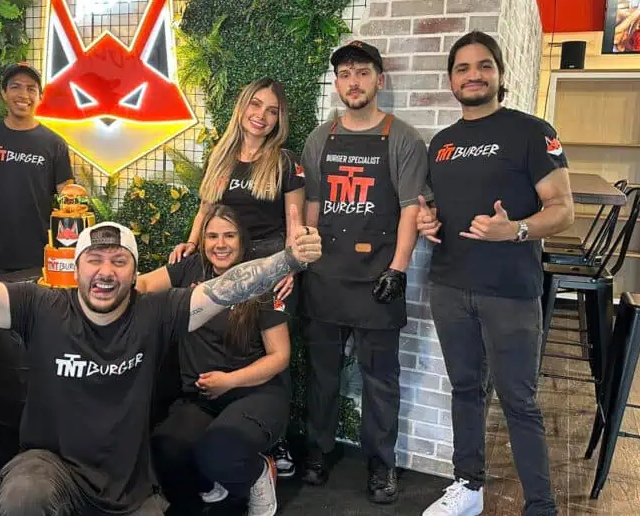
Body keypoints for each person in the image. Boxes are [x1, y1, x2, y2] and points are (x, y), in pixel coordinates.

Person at [0, 183, 321, 516]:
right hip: (52, 471)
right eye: (95, 260)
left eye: (119, 261)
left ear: (135, 270)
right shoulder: (39, 307)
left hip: (130, 487)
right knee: (23, 496)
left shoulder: (158, 312)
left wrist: (287, 259)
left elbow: (230, 287)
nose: (106, 271)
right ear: (77, 266)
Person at [417, 31, 573, 516]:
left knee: (518, 401)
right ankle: (468, 487)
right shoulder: (441, 144)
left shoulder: (531, 131)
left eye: (484, 66)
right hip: (449, 285)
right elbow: (438, 206)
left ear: (499, 75)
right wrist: (429, 220)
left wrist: (518, 230)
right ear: (451, 80)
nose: (473, 75)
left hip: (509, 290)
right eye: (462, 68)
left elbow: (564, 210)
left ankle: (540, 505)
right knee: (465, 388)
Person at [299, 40, 430, 504]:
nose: (353, 82)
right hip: (327, 278)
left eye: (362, 73)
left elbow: (412, 209)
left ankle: (381, 464)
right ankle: (317, 452)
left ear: (379, 79)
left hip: (379, 278)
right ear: (337, 84)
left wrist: (398, 269)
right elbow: (312, 205)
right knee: (323, 375)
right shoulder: (320, 138)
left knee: (381, 379)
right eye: (345, 74)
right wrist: (306, 257)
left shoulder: (404, 139)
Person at [169, 77, 305, 476]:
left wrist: (291, 266)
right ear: (242, 107)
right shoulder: (222, 156)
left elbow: (295, 223)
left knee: (271, 351)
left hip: (269, 271)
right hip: (225, 270)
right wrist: (191, 244)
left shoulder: (284, 162)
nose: (261, 116)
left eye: (272, 110)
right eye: (256, 105)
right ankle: (223, 424)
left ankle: (273, 440)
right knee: (226, 343)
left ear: (279, 119)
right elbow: (206, 211)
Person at [140, 205, 290, 516]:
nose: (220, 244)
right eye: (212, 236)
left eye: (229, 235)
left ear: (242, 240)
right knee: (166, 448)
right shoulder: (190, 268)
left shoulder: (259, 279)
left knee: (221, 450)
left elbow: (280, 356)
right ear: (203, 241)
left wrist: (230, 380)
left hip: (254, 393)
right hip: (201, 396)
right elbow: (141, 285)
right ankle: (212, 482)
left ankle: (258, 472)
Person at [0, 63, 74, 276]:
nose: (23, 94)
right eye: (15, 87)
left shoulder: (54, 143)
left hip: (36, 255)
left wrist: (67, 251)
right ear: (3, 93)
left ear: (40, 95)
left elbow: (68, 197)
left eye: (31, 88)